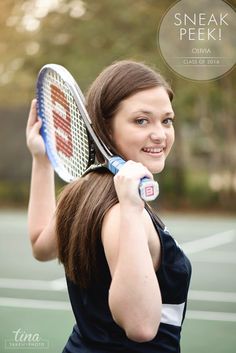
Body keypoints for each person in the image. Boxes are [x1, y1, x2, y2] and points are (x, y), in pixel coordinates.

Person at [26, 60, 191, 353]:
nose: (160, 134)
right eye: (141, 120)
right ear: (106, 128)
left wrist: (41, 161)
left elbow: (41, 245)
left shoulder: (84, 191)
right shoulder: (121, 212)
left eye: (166, 120)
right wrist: (129, 210)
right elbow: (140, 326)